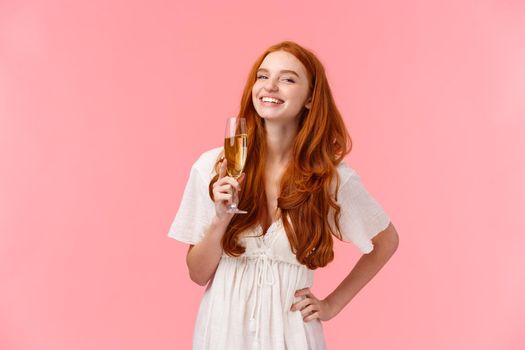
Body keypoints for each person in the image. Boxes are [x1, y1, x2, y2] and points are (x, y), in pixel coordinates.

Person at [168, 40, 399, 350]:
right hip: (222, 332)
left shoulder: (329, 177)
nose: (270, 86)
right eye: (262, 77)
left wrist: (333, 304)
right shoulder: (212, 167)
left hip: (292, 335)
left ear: (309, 99)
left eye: (288, 79)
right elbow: (197, 274)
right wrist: (220, 220)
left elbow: (386, 241)